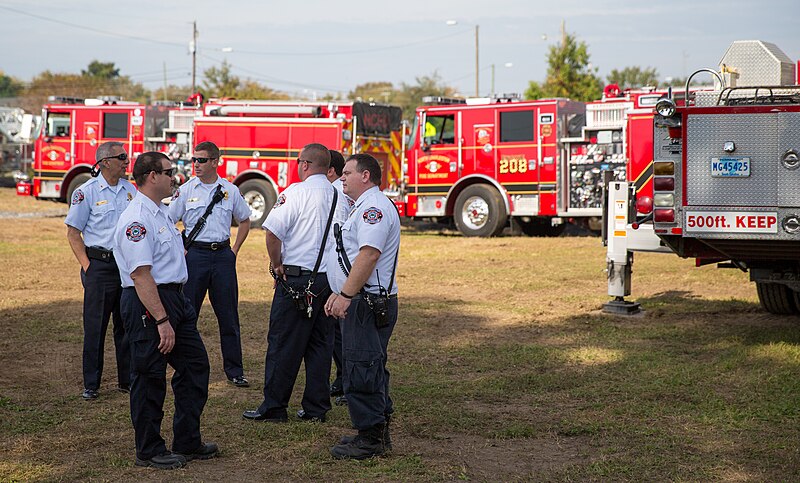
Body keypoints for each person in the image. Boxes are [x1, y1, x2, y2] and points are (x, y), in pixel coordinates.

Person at [114, 152, 217, 470]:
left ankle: (187, 440)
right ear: (151, 176)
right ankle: (149, 449)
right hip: (149, 302)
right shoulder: (137, 218)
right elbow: (140, 275)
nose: (175, 177)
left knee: (195, 365)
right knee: (149, 375)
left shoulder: (159, 212)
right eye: (169, 172)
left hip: (174, 298)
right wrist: (161, 320)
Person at [242, 143, 347, 424]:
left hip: (296, 279)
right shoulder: (341, 197)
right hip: (329, 282)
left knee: (282, 344)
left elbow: (273, 233)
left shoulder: (295, 193)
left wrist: (277, 265)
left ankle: (275, 406)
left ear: (304, 164)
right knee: (321, 346)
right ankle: (316, 408)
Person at [324, 153, 401, 460]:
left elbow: (368, 255)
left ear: (365, 176)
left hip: (366, 302)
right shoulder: (365, 207)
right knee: (366, 365)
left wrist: (345, 294)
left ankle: (370, 439)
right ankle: (375, 432)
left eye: (347, 172)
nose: (342, 178)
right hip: (363, 299)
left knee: (362, 368)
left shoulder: (374, 209)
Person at [169, 141, 252, 388]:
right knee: (187, 313)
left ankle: (235, 371)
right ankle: (183, 365)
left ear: (216, 161)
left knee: (228, 316)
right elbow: (168, 219)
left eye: (202, 160)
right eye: (194, 160)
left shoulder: (230, 190)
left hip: (223, 256)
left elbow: (245, 220)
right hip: (194, 256)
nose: (196, 164)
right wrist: (179, 247)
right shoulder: (185, 190)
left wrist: (234, 250)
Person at [65, 141, 135, 400]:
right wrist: (88, 267)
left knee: (126, 325)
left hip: (125, 266)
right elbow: (73, 233)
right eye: (122, 157)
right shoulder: (87, 192)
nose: (127, 161)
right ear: (105, 161)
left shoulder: (130, 191)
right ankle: (91, 384)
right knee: (95, 327)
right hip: (100, 267)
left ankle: (126, 380)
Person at [326, 149, 353, 403]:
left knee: (341, 332)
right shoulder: (336, 193)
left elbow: (340, 238)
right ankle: (343, 378)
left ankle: (348, 382)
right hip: (336, 271)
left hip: (337, 272)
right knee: (335, 332)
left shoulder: (336, 195)